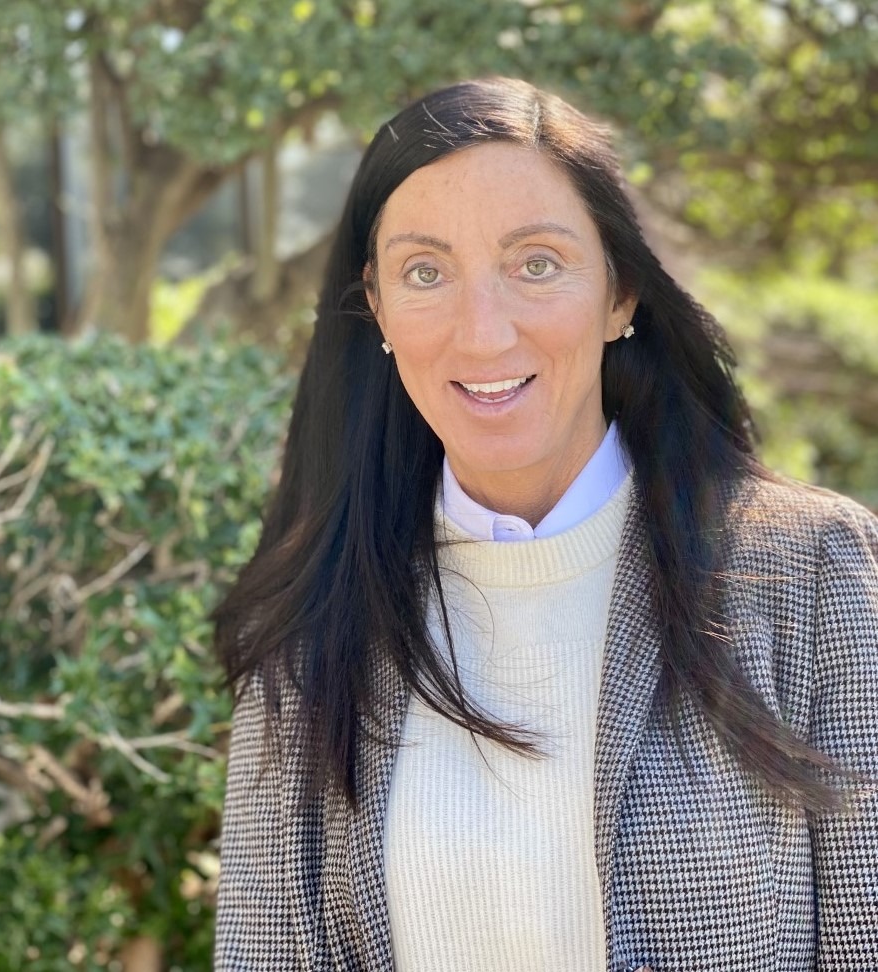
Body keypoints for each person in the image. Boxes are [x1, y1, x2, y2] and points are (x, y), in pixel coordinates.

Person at [212, 78, 878, 971]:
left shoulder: (811, 573)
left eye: (535, 263)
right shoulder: (311, 624)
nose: (483, 335)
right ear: (374, 307)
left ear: (620, 292)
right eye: (424, 272)